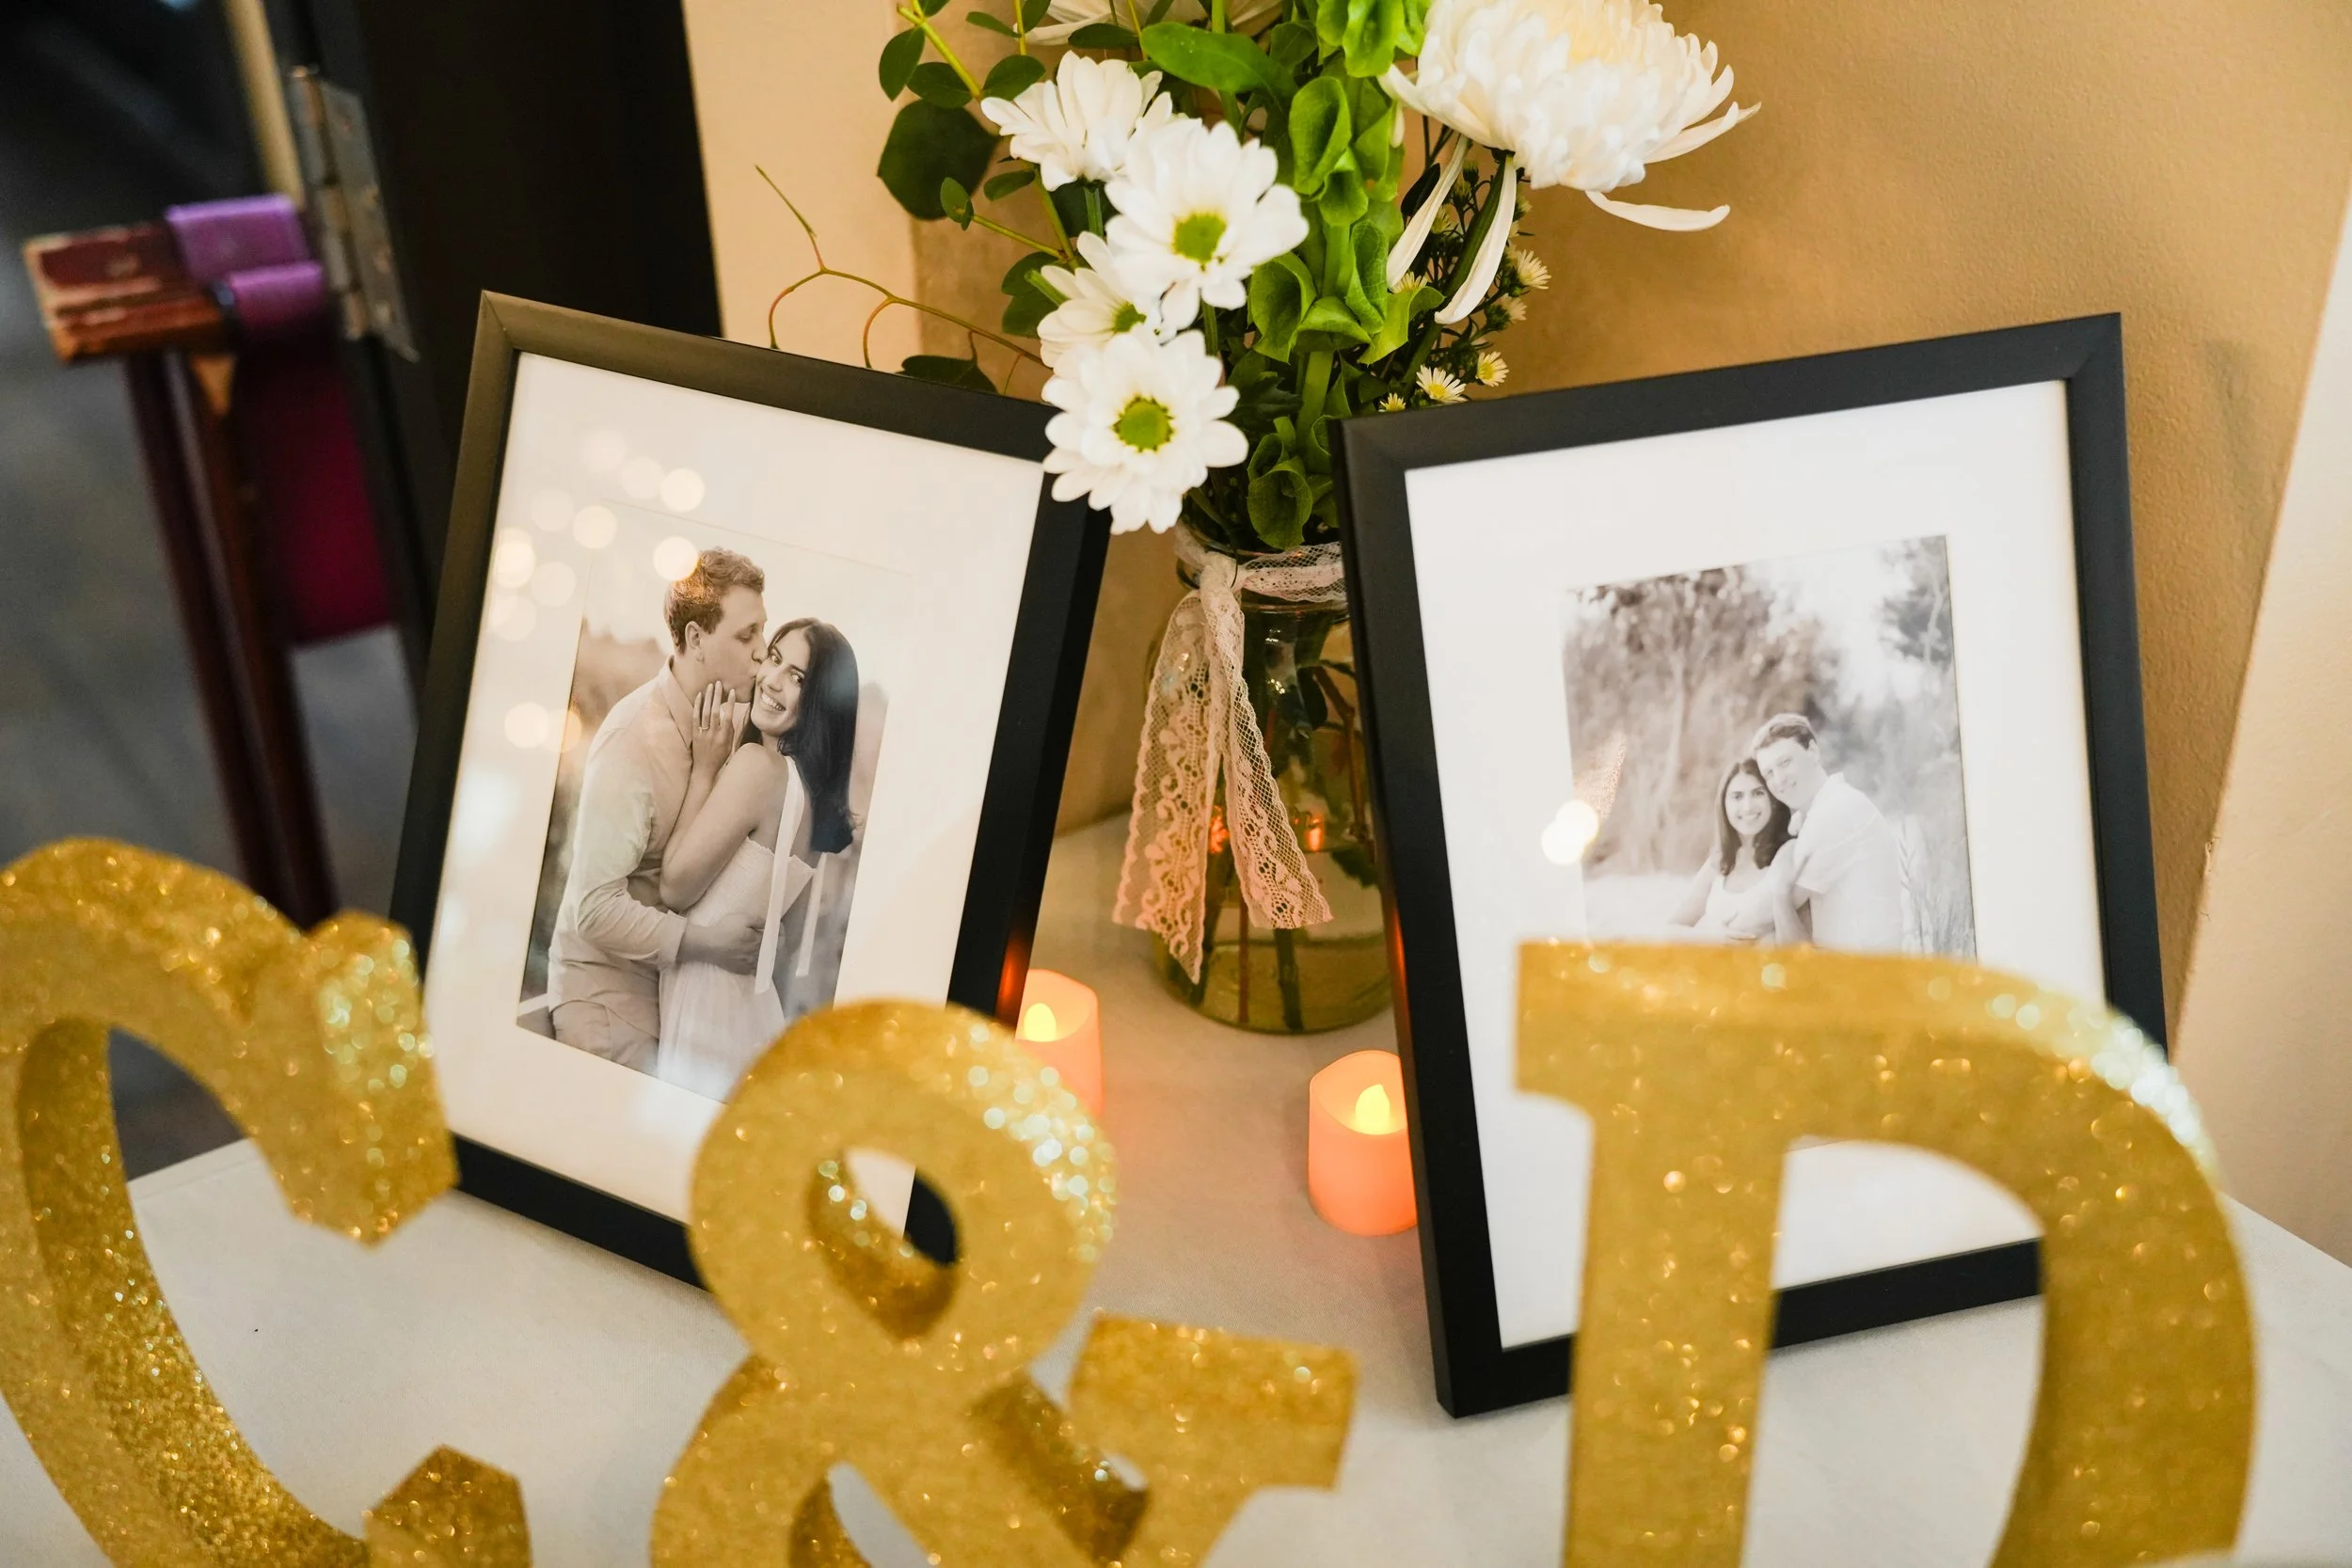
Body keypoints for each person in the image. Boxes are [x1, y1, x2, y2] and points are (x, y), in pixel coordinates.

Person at [545, 549, 769, 1072]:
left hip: (670, 1000)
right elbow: (595, 908)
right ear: (695, 639)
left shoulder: (730, 727)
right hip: (607, 1007)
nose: (761, 652)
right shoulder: (631, 743)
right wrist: (707, 945)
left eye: (763, 633)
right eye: (745, 636)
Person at [654, 618, 861, 1101]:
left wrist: (705, 770)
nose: (773, 680)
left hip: (707, 1003)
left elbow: (674, 888)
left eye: (799, 678)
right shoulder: (811, 798)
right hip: (750, 1009)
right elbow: (781, 937)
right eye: (774, 658)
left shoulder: (759, 769)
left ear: (823, 703)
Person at [1748, 712, 1905, 953]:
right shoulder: (1815, 813)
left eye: (1785, 762)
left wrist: (1711, 930)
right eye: (1768, 773)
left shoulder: (1835, 811)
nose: (1778, 780)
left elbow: (1762, 914)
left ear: (1813, 752)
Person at [1665, 756, 1806, 943]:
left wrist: (1782, 895)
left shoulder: (1789, 855)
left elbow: (1803, 952)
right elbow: (1672, 929)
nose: (1747, 807)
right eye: (1737, 796)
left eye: (1758, 793)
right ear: (1724, 805)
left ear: (1773, 799)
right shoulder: (1720, 862)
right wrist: (1711, 937)